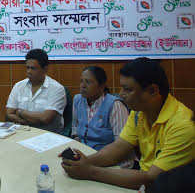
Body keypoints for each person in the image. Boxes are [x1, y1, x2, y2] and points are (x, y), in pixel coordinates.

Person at [60, 57, 195, 190]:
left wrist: (89, 171)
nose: (121, 94)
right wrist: (83, 162)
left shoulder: (183, 126)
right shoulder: (139, 113)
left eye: (128, 89)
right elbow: (118, 148)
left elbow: (152, 178)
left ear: (152, 90)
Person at [72, 66, 133, 168]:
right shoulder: (78, 100)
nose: (83, 85)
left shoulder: (115, 105)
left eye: (88, 82)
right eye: (81, 81)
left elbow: (121, 147)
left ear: (101, 86)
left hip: (111, 162)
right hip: (85, 160)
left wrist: (87, 162)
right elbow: (76, 134)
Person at [5, 49, 66, 134]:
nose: (29, 72)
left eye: (33, 68)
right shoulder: (19, 86)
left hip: (48, 136)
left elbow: (46, 118)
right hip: (22, 133)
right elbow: (8, 115)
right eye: (27, 68)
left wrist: (20, 112)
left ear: (45, 69)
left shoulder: (57, 89)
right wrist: (30, 123)